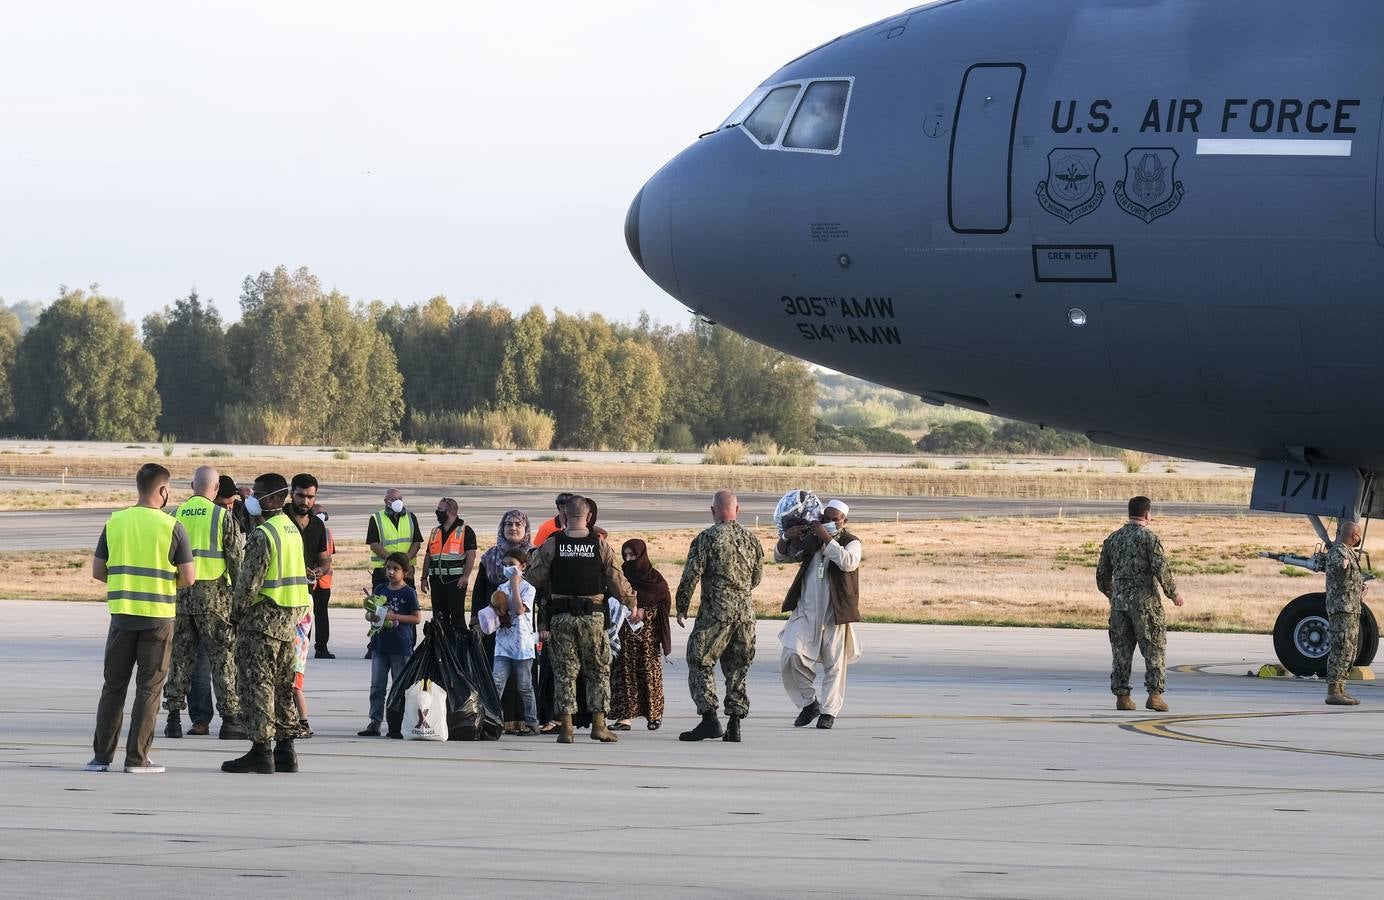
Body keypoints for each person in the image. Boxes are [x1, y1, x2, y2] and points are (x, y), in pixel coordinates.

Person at [87, 463, 197, 774]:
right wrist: (163, 583)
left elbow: (98, 570)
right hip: (158, 619)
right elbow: (189, 577)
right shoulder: (172, 526)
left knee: (113, 687)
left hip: (122, 617)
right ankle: (137, 759)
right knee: (149, 689)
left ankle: (101, 758)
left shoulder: (115, 522)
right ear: (163, 491)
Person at [523, 495, 637, 744]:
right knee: (597, 671)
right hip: (592, 617)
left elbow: (533, 577)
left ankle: (566, 728)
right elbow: (616, 581)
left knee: (565, 672)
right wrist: (631, 602)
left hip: (561, 617)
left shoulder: (553, 544)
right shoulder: (599, 545)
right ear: (588, 516)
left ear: (564, 516)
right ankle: (599, 725)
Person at [222, 473, 312, 774]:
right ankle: (286, 750)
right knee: (283, 686)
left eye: (258, 494)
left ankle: (261, 750)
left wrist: (234, 616)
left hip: (262, 621)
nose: (252, 499)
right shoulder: (290, 529)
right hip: (290, 621)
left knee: (257, 684)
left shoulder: (265, 535)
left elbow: (247, 585)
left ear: (273, 498)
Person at [162, 465, 246, 742]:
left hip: (181, 597)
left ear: (191, 485)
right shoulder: (222, 517)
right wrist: (241, 601)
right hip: (215, 599)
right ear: (217, 486)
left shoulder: (173, 516)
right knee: (222, 661)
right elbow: (236, 561)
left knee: (180, 660)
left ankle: (173, 718)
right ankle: (230, 720)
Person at [674, 489, 763, 743]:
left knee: (699, 659)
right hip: (745, 614)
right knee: (737, 667)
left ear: (713, 510)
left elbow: (691, 574)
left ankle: (709, 719)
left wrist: (682, 605)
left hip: (716, 612)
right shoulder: (751, 539)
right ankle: (734, 723)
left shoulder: (707, 538)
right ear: (738, 510)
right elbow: (756, 578)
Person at [776, 499, 862, 729]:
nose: (831, 523)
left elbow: (848, 562)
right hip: (806, 612)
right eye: (827, 518)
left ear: (844, 521)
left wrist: (827, 538)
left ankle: (828, 712)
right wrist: (787, 536)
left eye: (836, 520)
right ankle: (809, 702)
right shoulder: (811, 539)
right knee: (791, 655)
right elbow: (781, 556)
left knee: (834, 666)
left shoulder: (852, 543)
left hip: (834, 614)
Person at [1095, 495, 1185, 713]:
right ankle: (1154, 696)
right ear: (1147, 514)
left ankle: (1122, 697)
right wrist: (1173, 594)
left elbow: (1101, 575)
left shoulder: (1113, 539)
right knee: (1154, 648)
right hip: (1145, 604)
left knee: (1121, 651)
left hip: (1119, 605)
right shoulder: (1149, 538)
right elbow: (1160, 568)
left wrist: (1113, 595)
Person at [473, 509, 537, 732]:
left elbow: (540, 593)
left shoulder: (534, 555)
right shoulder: (491, 556)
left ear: (525, 528)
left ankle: (525, 721)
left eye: (518, 524)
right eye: (508, 524)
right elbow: (479, 589)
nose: (513, 528)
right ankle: (494, 720)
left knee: (524, 683)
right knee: (497, 678)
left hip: (524, 631)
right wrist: (477, 620)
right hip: (498, 629)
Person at [359, 553, 422, 738]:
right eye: (388, 568)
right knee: (377, 686)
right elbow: (372, 614)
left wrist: (394, 617)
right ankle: (375, 722)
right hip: (380, 645)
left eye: (396, 569)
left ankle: (398, 723)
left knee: (399, 686)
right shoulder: (380, 589)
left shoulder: (408, 592)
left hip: (400, 646)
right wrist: (372, 617)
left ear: (405, 572)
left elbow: (416, 618)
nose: (391, 572)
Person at [610, 539, 671, 731]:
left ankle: (654, 715)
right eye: (625, 555)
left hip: (647, 636)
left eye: (632, 555)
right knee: (624, 675)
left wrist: (646, 612)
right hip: (624, 634)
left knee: (648, 674)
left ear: (641, 555)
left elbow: (663, 603)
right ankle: (624, 717)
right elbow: (611, 595)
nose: (629, 559)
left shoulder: (654, 579)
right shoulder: (621, 576)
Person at [1325, 520, 1367, 705]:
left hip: (1351, 608)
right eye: (1358, 535)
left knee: (1349, 649)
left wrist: (1360, 590)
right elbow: (1338, 569)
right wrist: (1342, 566)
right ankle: (1333, 691)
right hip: (1342, 609)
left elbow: (1349, 581)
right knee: (1341, 648)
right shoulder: (1338, 552)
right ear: (1355, 536)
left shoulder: (1349, 553)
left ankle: (1340, 688)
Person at [422, 496, 477, 634]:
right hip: (437, 581)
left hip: (455, 582)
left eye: (440, 509)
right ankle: (443, 650)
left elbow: (471, 555)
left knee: (457, 617)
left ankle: (459, 650)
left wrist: (465, 576)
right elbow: (428, 556)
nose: (437, 512)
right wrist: (423, 578)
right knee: (439, 618)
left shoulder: (466, 531)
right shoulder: (435, 531)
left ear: (451, 511)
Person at [367, 488, 422, 587]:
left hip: (405, 571)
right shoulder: (376, 518)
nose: (398, 502)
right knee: (382, 600)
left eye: (400, 499)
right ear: (385, 501)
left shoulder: (411, 517)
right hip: (383, 571)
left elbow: (417, 543)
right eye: (393, 499)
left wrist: (405, 562)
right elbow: (374, 545)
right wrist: (392, 562)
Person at [312, 506, 336, 658]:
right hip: (309, 580)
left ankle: (322, 647)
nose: (321, 515)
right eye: (318, 512)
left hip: (324, 581)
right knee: (305, 617)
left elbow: (329, 555)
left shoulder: (327, 532)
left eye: (323, 512)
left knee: (322, 616)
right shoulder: (305, 531)